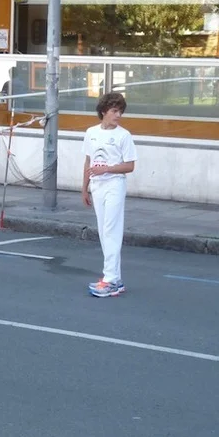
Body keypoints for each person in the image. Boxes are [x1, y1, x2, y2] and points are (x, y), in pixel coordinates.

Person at [82, 92, 137, 298]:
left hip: (114, 184)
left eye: (120, 111)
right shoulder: (91, 132)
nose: (118, 115)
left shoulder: (124, 136)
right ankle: (116, 279)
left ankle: (110, 279)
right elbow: (88, 161)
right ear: (104, 111)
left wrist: (107, 169)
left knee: (111, 230)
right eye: (115, 111)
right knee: (104, 232)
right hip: (97, 186)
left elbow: (129, 166)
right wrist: (84, 188)